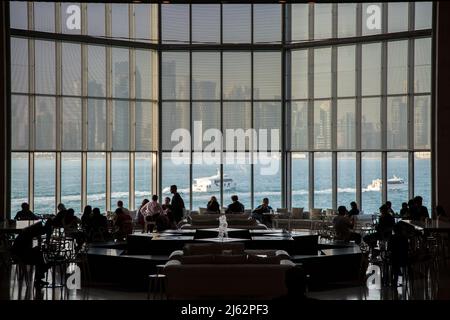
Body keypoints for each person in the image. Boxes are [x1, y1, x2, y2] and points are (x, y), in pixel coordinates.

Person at [11, 221, 50, 287]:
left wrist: (35, 247)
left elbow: (24, 249)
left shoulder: (26, 233)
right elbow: (24, 250)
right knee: (39, 257)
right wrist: (35, 248)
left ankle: (40, 274)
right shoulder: (27, 236)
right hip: (20, 255)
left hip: (19, 253)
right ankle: (41, 273)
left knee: (39, 256)